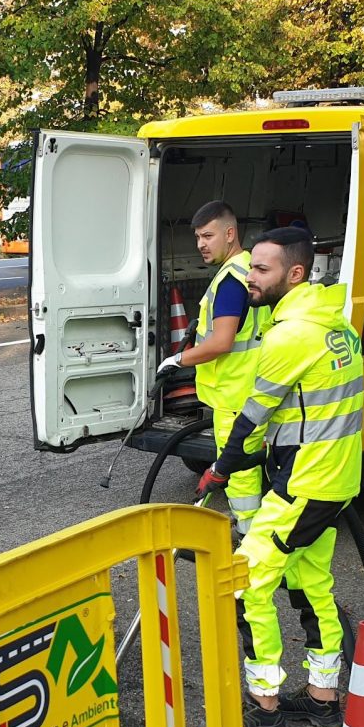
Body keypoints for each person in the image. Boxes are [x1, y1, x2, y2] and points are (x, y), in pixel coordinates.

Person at [197, 226, 364, 727]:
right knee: (314, 584)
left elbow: (252, 418)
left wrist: (221, 469)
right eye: (252, 266)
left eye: (262, 269)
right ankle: (322, 699)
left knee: (249, 581)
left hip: (304, 484)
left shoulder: (291, 335)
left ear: (295, 273)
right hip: (337, 480)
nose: (251, 277)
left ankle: (265, 704)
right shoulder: (337, 324)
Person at [157, 201, 269, 535]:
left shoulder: (232, 282)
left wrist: (177, 360)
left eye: (208, 235)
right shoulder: (250, 268)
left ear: (230, 233)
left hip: (235, 397)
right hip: (251, 389)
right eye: (197, 238)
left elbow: (221, 342)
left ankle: (250, 541)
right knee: (245, 466)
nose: (201, 244)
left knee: (240, 472)